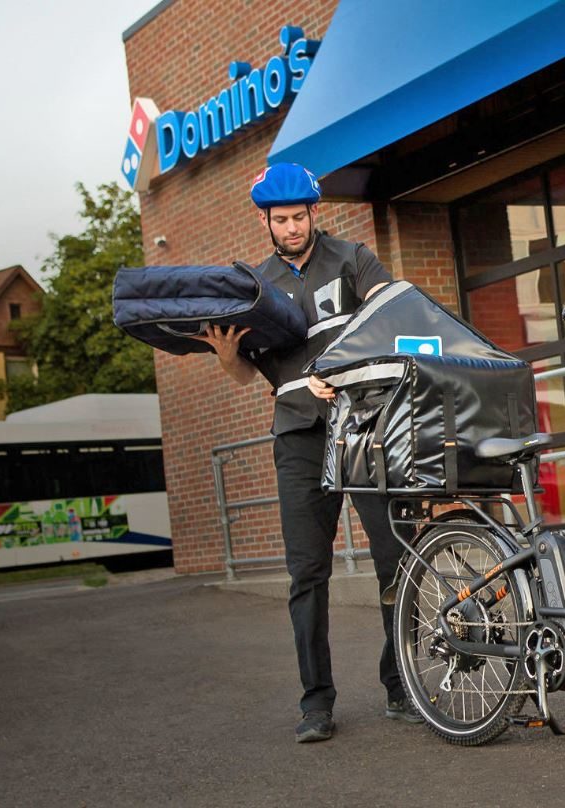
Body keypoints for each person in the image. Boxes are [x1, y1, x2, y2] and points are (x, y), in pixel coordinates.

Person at [195, 162, 419, 743]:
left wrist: (339, 370)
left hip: (366, 427)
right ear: (265, 221)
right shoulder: (255, 286)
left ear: (313, 213)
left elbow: (389, 315)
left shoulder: (352, 258)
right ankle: (316, 702)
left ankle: (401, 685)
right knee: (307, 573)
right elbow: (247, 375)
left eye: (299, 216)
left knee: (395, 560)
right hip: (298, 437)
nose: (291, 227)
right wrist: (225, 356)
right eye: (281, 219)